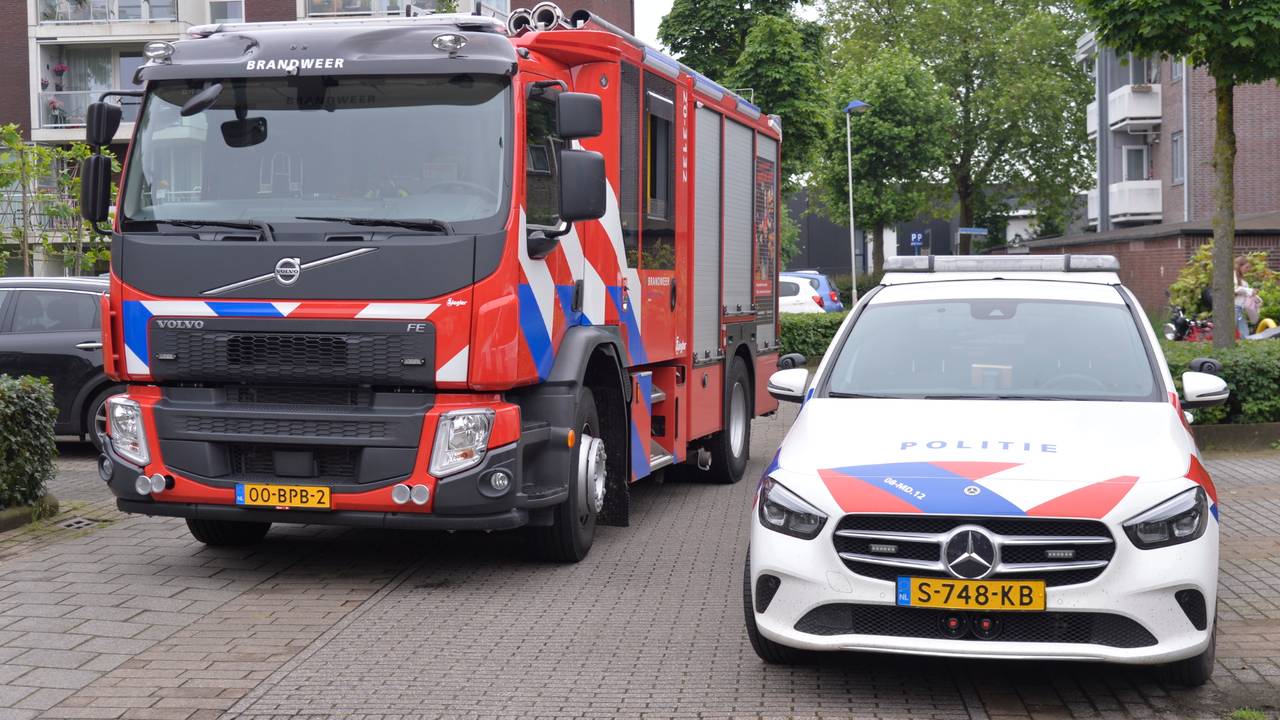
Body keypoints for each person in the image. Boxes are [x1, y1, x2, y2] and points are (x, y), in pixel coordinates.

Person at [1234, 256, 1257, 338]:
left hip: (1240, 309)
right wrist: (1250, 291)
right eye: (1246, 267)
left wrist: (1256, 297)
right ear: (1239, 266)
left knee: (1244, 333)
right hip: (1234, 309)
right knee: (1243, 333)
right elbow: (1234, 289)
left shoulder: (1240, 279)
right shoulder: (1233, 276)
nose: (1247, 269)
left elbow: (1243, 293)